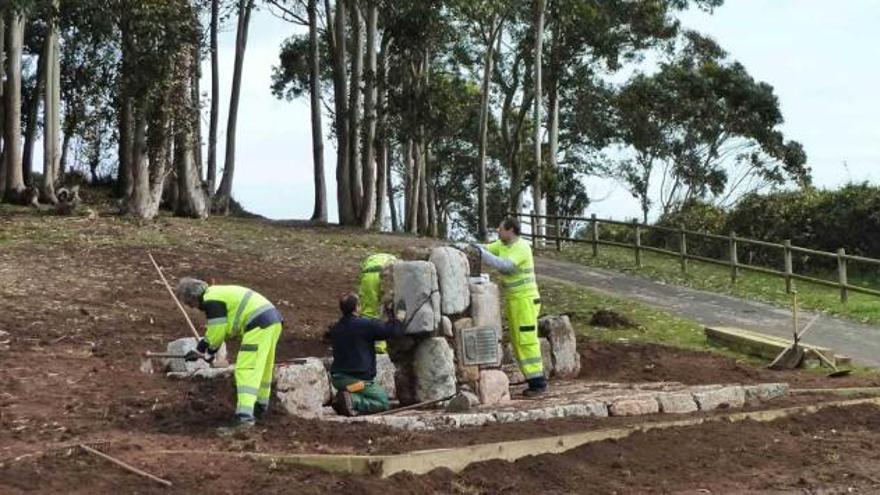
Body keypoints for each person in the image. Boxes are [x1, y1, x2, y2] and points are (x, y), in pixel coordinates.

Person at [176, 278, 283, 433]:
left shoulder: (211, 300)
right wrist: (204, 351)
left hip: (257, 324)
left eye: (189, 303)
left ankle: (244, 418)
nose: (192, 307)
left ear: (192, 296)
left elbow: (217, 331)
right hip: (272, 321)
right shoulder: (218, 293)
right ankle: (260, 407)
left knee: (246, 369)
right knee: (263, 367)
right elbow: (221, 330)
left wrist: (205, 352)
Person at [473, 218, 547, 397]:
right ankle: (534, 382)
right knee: (517, 341)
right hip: (514, 301)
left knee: (526, 341)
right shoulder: (502, 245)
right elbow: (486, 248)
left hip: (525, 301)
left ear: (510, 230)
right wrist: (468, 247)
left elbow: (505, 266)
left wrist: (481, 253)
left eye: (500, 228)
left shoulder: (521, 247)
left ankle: (538, 383)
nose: (497, 231)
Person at [325, 293, 404, 416]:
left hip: (338, 379)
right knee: (382, 401)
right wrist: (398, 320)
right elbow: (390, 331)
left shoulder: (336, 327)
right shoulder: (364, 325)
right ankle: (354, 400)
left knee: (362, 391)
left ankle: (345, 399)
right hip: (357, 379)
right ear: (357, 307)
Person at [356, 253, 398, 354]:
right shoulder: (396, 260)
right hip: (389, 273)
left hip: (368, 275)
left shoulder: (371, 259)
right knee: (386, 309)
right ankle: (381, 345)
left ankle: (364, 341)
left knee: (368, 310)